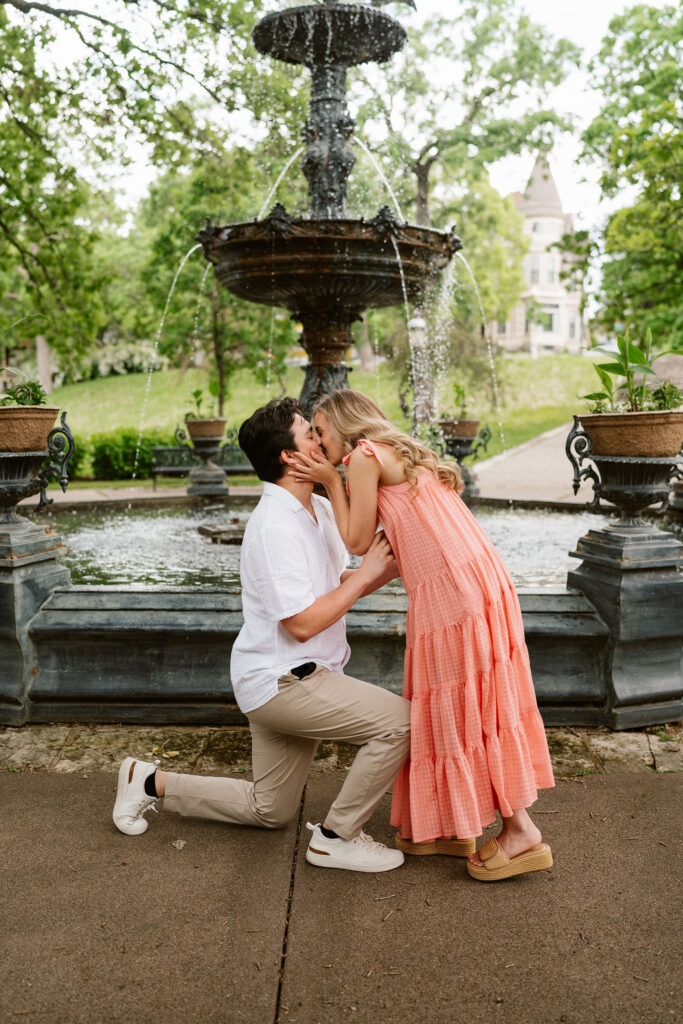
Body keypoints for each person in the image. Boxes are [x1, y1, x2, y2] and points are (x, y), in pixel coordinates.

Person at [112, 397, 411, 873]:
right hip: (285, 682)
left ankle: (147, 781)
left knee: (269, 810)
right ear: (290, 459)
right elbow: (303, 623)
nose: (323, 438)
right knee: (403, 723)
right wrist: (366, 575)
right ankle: (337, 837)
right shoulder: (272, 527)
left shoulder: (318, 506)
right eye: (310, 434)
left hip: (293, 676)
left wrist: (387, 569)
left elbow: (338, 585)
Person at [290, 388, 555, 882]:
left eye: (321, 431)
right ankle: (456, 824)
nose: (318, 442)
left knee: (469, 708)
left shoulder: (363, 457)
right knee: (469, 702)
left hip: (453, 595)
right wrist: (364, 582)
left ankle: (522, 832)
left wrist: (330, 479)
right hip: (477, 581)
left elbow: (355, 541)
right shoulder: (399, 456)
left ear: (347, 426)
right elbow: (414, 540)